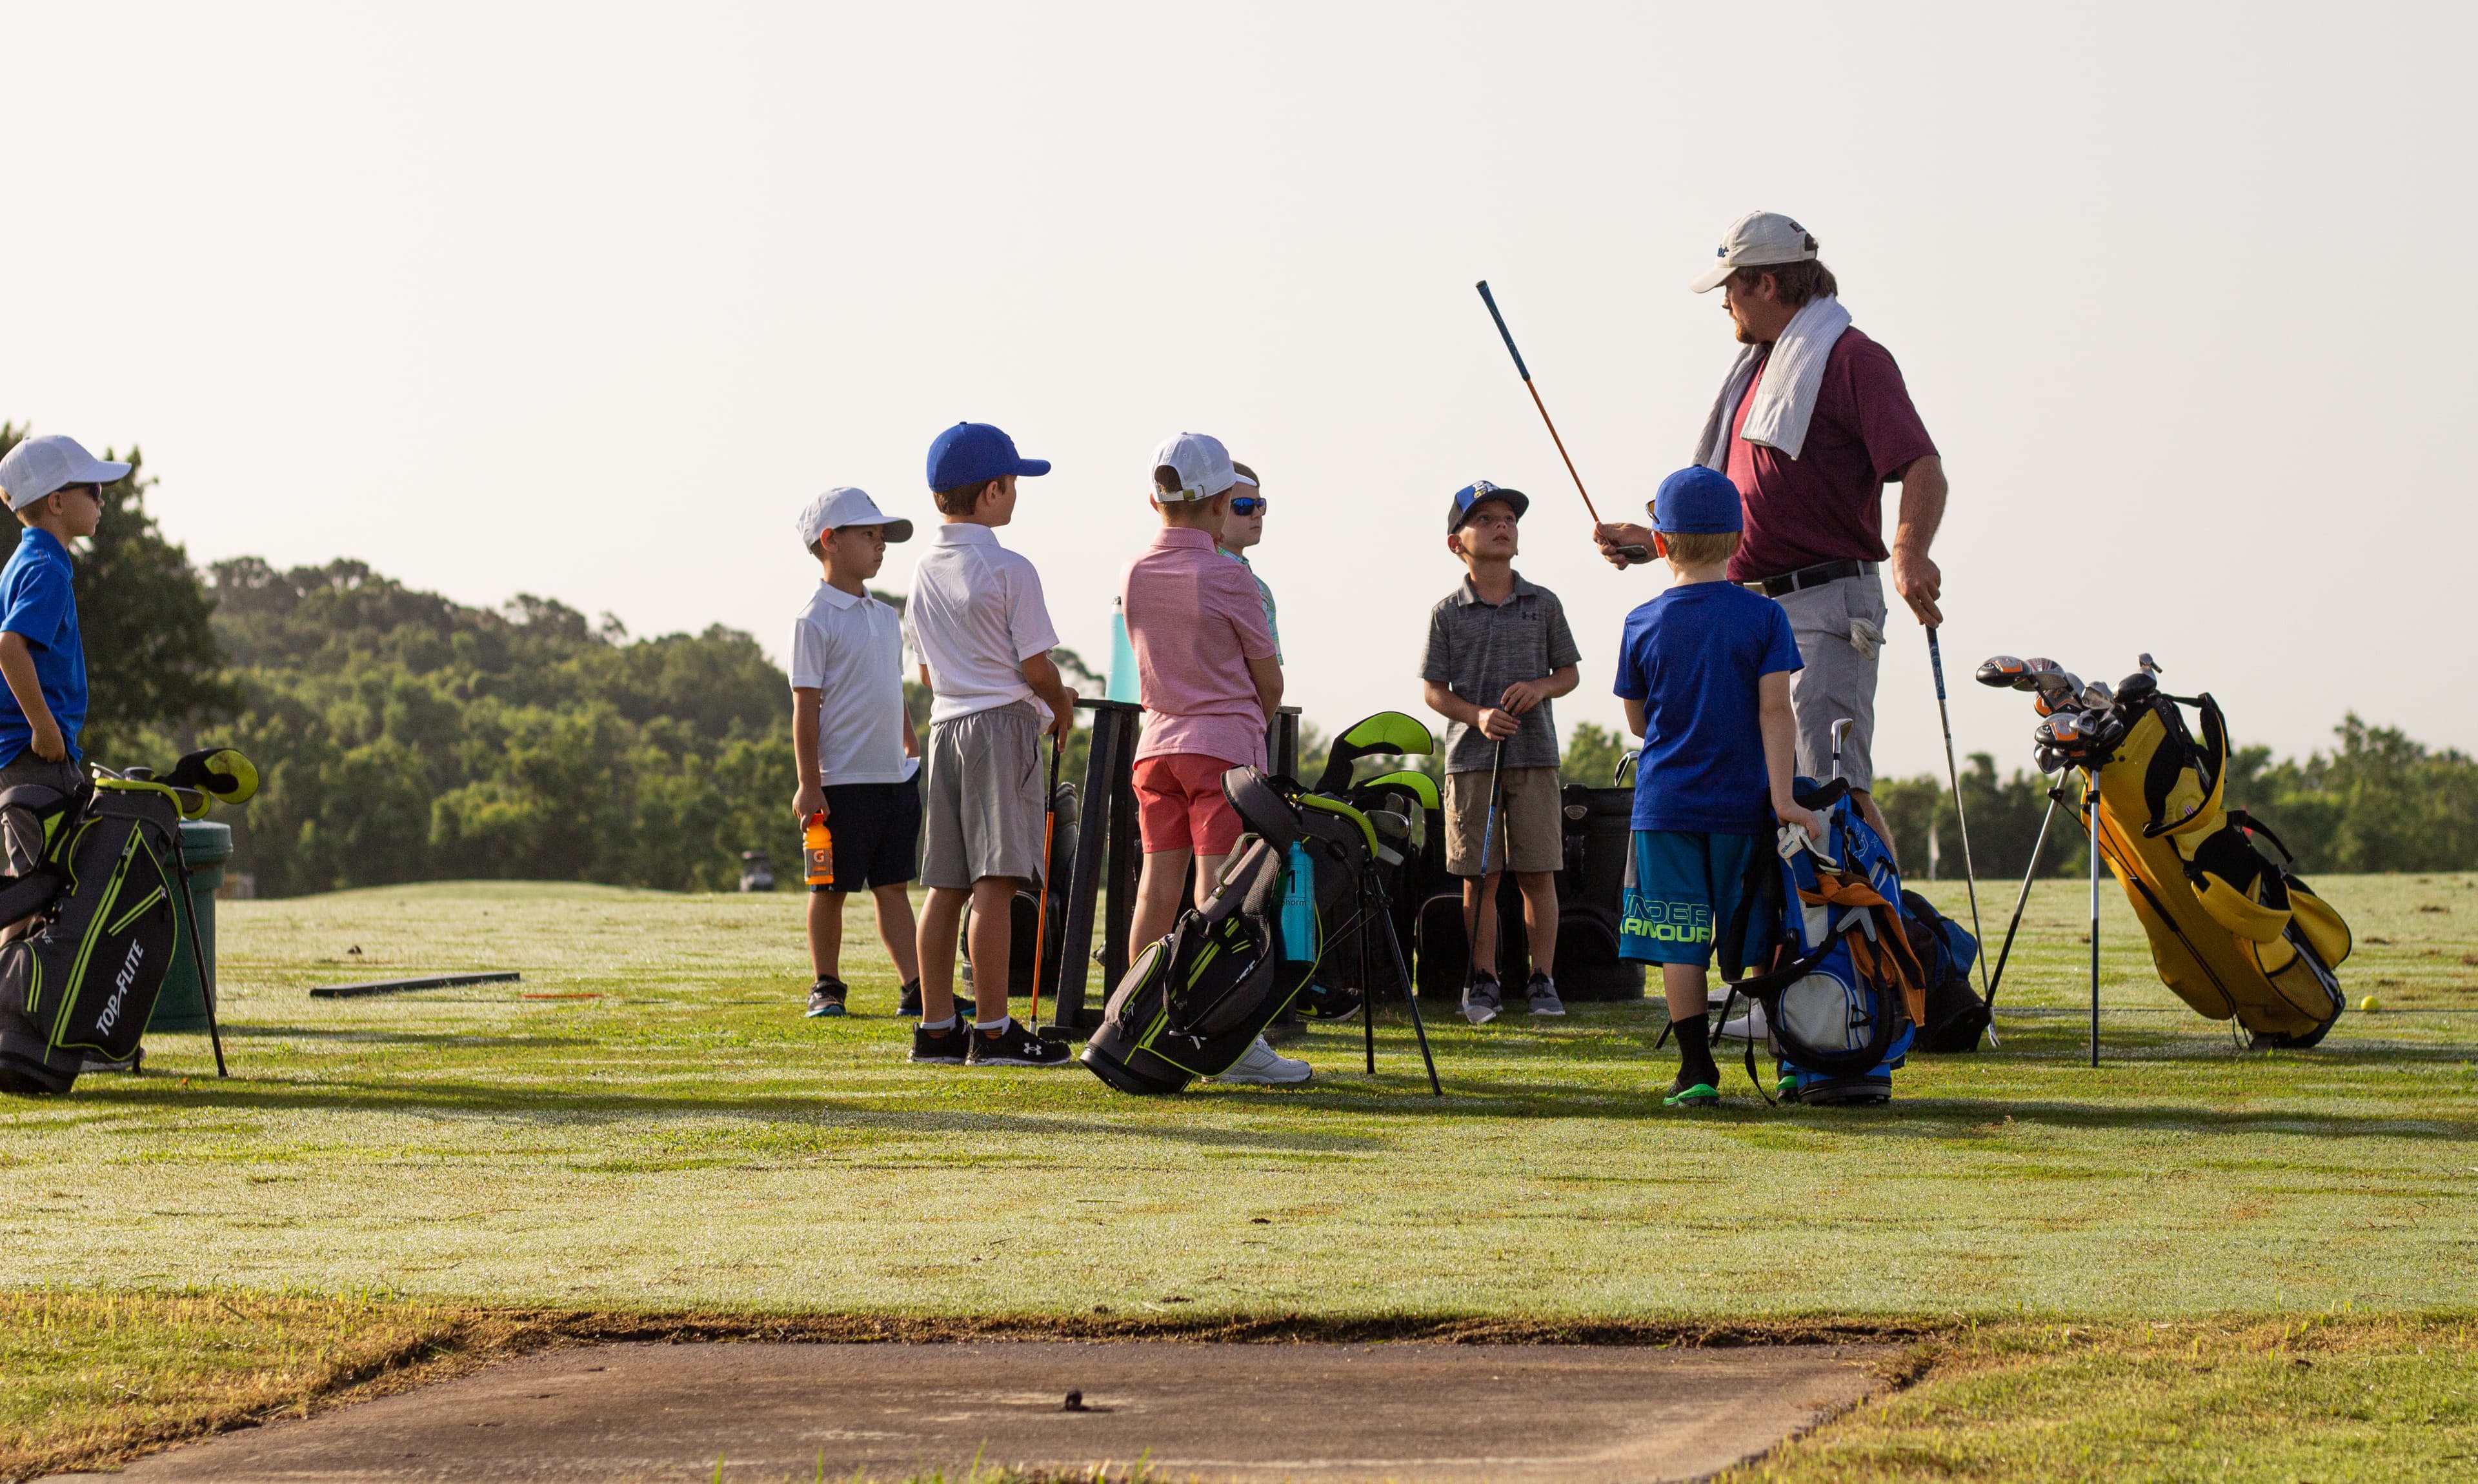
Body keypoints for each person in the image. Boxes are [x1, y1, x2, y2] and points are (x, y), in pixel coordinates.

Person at [1597, 210, 1946, 855]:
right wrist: (1657, 543)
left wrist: (1908, 550)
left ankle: (1884, 948)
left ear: (1765, 282)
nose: (1723, 301)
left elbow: (1921, 463)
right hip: (1742, 608)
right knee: (1761, 788)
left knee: (1832, 787)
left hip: (1823, 606)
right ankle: (1793, 950)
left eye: (1730, 286)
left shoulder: (1852, 359)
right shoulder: (1761, 369)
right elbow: (1749, 508)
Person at [1613, 466, 1822, 1107]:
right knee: (1763, 929)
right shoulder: (1764, 616)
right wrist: (1785, 796)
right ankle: (1789, 1059)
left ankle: (1696, 1068)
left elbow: (1639, 718)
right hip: (1746, 804)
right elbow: (1776, 710)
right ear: (1737, 539)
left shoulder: (1641, 620)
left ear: (1661, 541)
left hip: (1666, 805)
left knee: (1680, 937)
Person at [1121, 433, 1306, 1086]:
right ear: (1224, 498)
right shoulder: (1230, 575)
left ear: (1155, 497)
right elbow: (1270, 683)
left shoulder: (1135, 569)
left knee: (1156, 889)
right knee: (1222, 898)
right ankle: (1226, 1041)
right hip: (1220, 752)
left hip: (1155, 750)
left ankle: (1131, 1020)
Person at [902, 422, 1077, 1068]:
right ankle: (998, 1029)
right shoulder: (1009, 567)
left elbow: (924, 670)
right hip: (1001, 725)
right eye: (1012, 484)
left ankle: (938, 1026)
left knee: (944, 885)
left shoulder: (921, 569)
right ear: (994, 490)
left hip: (945, 723)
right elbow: (1036, 668)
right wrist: (1060, 702)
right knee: (996, 884)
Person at [1419, 480, 1580, 1026]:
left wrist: (1540, 688)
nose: (1500, 526)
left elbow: (1569, 674)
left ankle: (1543, 980)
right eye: (1485, 518)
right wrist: (1478, 715)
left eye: (1508, 517)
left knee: (1539, 873)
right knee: (1479, 877)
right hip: (1468, 761)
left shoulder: (1545, 603)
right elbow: (1433, 690)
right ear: (1455, 542)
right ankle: (1483, 981)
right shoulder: (1446, 613)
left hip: (1535, 756)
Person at [789, 486, 925, 1020]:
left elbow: (891, 687)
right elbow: (806, 708)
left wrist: (910, 744)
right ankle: (826, 986)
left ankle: (916, 988)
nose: (880, 545)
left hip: (893, 776)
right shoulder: (814, 618)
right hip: (839, 780)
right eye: (869, 534)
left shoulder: (885, 616)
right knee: (830, 889)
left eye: (881, 536)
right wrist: (808, 782)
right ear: (830, 541)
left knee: (893, 886)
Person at [0, 436, 118, 913]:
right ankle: (21, 988)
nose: (101, 500)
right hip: (35, 759)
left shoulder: (24, 563)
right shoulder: (47, 567)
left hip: (22, 758)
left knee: (30, 884)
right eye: (92, 489)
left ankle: (18, 985)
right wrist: (45, 728)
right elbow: (9, 648)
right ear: (56, 502)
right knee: (42, 891)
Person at [1218, 461, 1279, 663]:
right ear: (1216, 509)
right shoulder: (1252, 588)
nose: (1257, 514)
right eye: (1243, 506)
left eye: (1260, 505)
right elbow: (1269, 687)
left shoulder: (1260, 589)